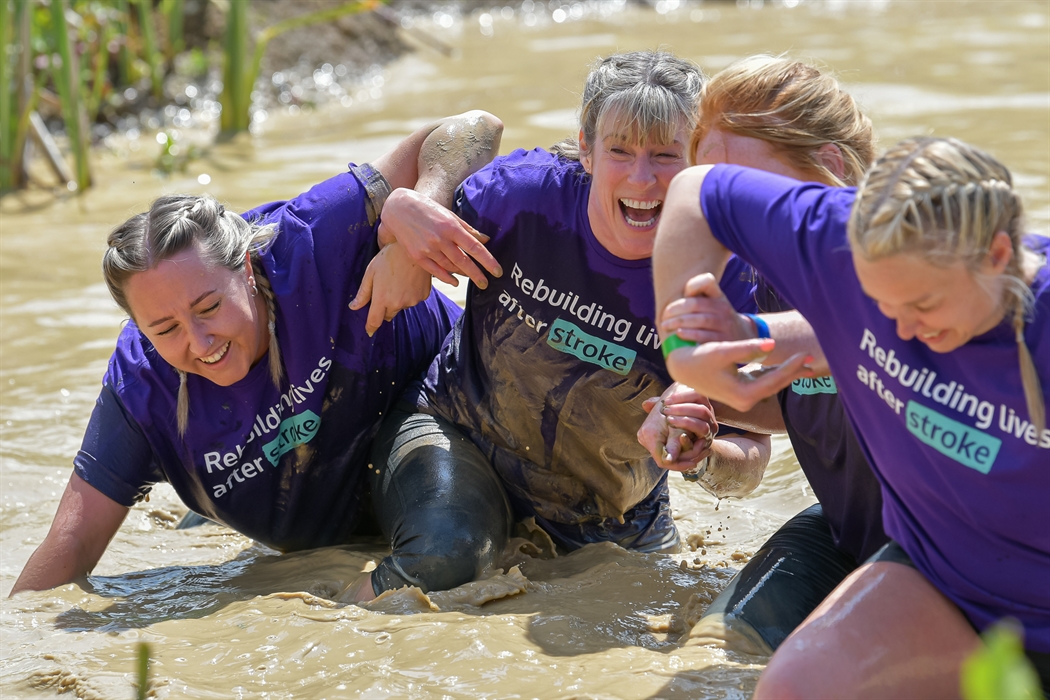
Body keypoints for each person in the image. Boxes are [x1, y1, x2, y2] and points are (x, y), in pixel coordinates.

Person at [11, 112, 511, 600]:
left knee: (448, 555)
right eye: (165, 329)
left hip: (421, 411)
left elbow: (475, 128)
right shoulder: (141, 388)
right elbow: (71, 545)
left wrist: (419, 219)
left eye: (209, 307)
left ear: (249, 268)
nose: (200, 343)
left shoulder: (308, 239)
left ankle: (347, 612)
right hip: (303, 491)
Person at [653, 136, 1049, 696]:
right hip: (940, 576)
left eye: (924, 305)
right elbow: (696, 193)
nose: (903, 331)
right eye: (883, 305)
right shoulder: (830, 236)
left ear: (998, 256)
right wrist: (687, 346)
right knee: (793, 686)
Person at [354, 51, 771, 580]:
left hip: (615, 515)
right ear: (586, 150)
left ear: (700, 163)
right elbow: (463, 136)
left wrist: (702, 451)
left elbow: (755, 452)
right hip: (456, 434)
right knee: (445, 556)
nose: (642, 180)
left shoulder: (729, 278)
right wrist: (416, 217)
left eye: (666, 156)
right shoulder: (526, 198)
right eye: (620, 150)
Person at [641, 56, 889, 655]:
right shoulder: (771, 268)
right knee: (718, 657)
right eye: (713, 182)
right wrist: (705, 402)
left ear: (829, 168)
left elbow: (850, 341)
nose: (724, 210)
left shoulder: (902, 263)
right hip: (842, 532)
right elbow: (806, 394)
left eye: (740, 184)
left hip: (946, 553)